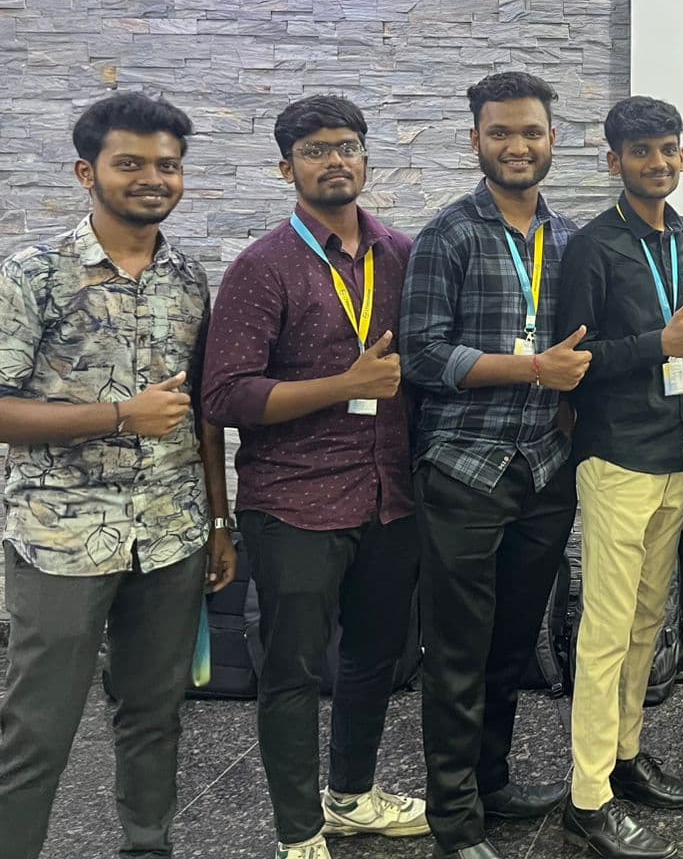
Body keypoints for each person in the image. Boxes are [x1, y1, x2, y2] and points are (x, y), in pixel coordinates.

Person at [0, 92, 236, 859]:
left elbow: (203, 411)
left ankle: (147, 846)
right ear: (86, 171)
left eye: (167, 165)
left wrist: (218, 518)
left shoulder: (189, 278)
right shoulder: (33, 274)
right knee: (37, 725)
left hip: (169, 534)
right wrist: (115, 417)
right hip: (61, 537)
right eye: (130, 163)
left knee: (155, 712)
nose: (152, 178)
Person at [202, 96, 427, 858]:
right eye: (317, 149)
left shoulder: (401, 253)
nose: (337, 160)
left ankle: (353, 797)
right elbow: (225, 394)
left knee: (374, 658)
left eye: (350, 146)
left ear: (367, 158)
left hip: (389, 495)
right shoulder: (263, 268)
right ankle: (299, 832)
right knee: (293, 672)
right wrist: (343, 382)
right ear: (286, 166)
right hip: (295, 502)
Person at [399, 72, 592, 859]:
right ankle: (454, 821)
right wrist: (530, 371)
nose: (518, 146)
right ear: (475, 139)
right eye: (501, 133)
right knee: (457, 652)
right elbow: (421, 354)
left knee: (512, 644)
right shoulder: (447, 236)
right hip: (464, 472)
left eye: (532, 133)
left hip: (545, 469)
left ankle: (493, 782)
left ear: (553, 140)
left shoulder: (573, 238)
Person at [556, 96, 683, 859]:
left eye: (669, 149)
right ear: (614, 159)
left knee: (649, 623)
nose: (659, 163)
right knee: (606, 631)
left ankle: (622, 757)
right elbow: (574, 365)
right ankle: (587, 799)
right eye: (643, 151)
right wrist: (661, 342)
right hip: (616, 457)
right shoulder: (592, 247)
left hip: (678, 456)